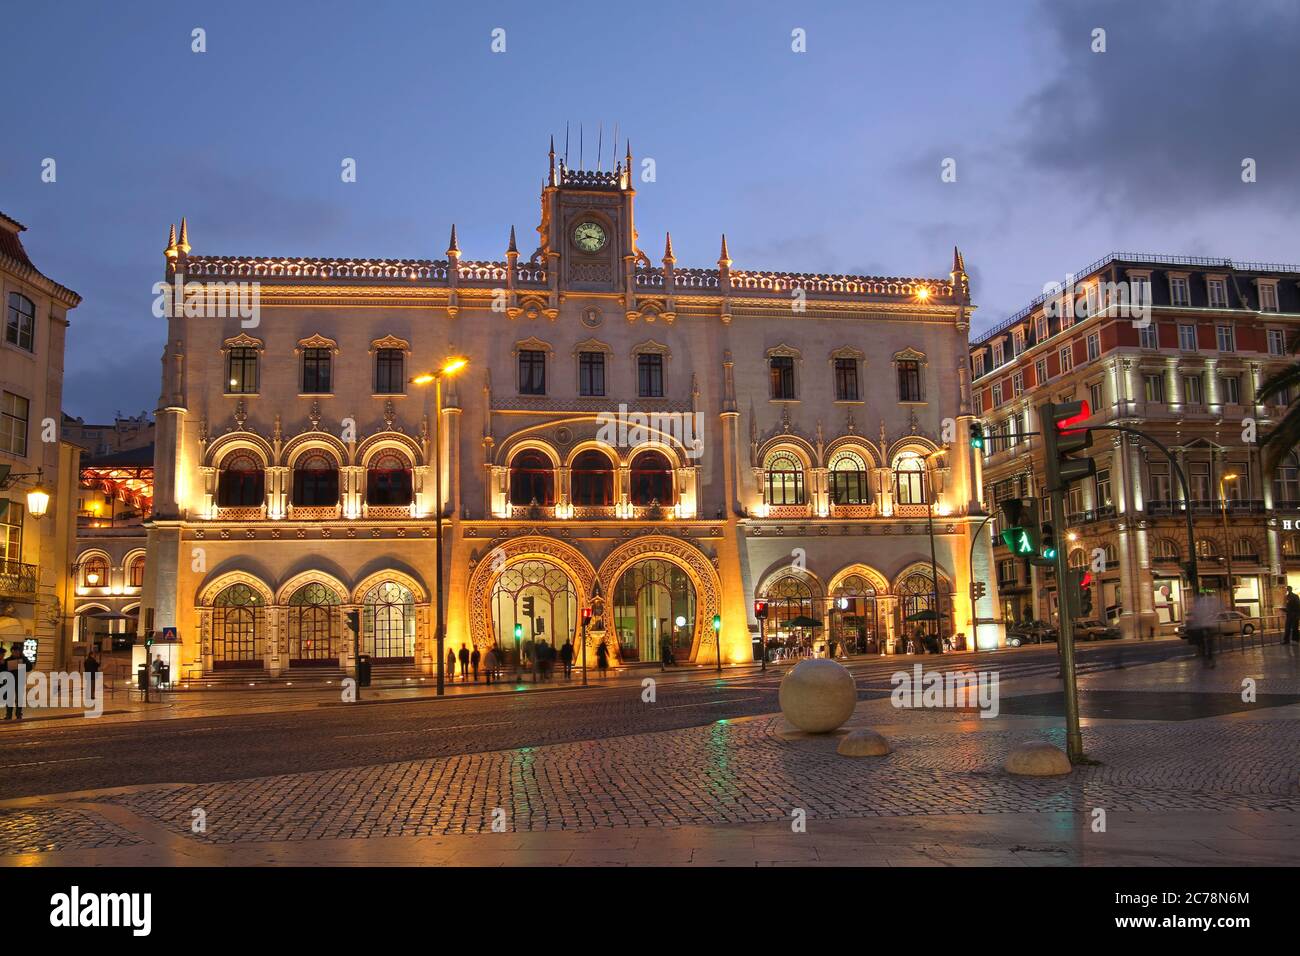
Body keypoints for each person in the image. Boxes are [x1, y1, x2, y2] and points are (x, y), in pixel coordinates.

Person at [1188, 593, 1220, 668]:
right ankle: (1209, 660)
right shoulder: (1211, 601)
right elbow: (1217, 611)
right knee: (1209, 644)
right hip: (1208, 625)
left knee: (1203, 644)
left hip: (1202, 626)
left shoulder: (1199, 603)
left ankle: (1206, 660)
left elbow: (1196, 614)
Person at [2, 644, 23, 720]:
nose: (17, 653)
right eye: (15, 651)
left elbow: (29, 667)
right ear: (12, 652)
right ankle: (9, 715)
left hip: (20, 681)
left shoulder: (23, 659)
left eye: (18, 651)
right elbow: (3, 670)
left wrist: (23, 658)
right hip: (10, 681)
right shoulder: (7, 660)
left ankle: (19, 714)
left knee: (19, 699)